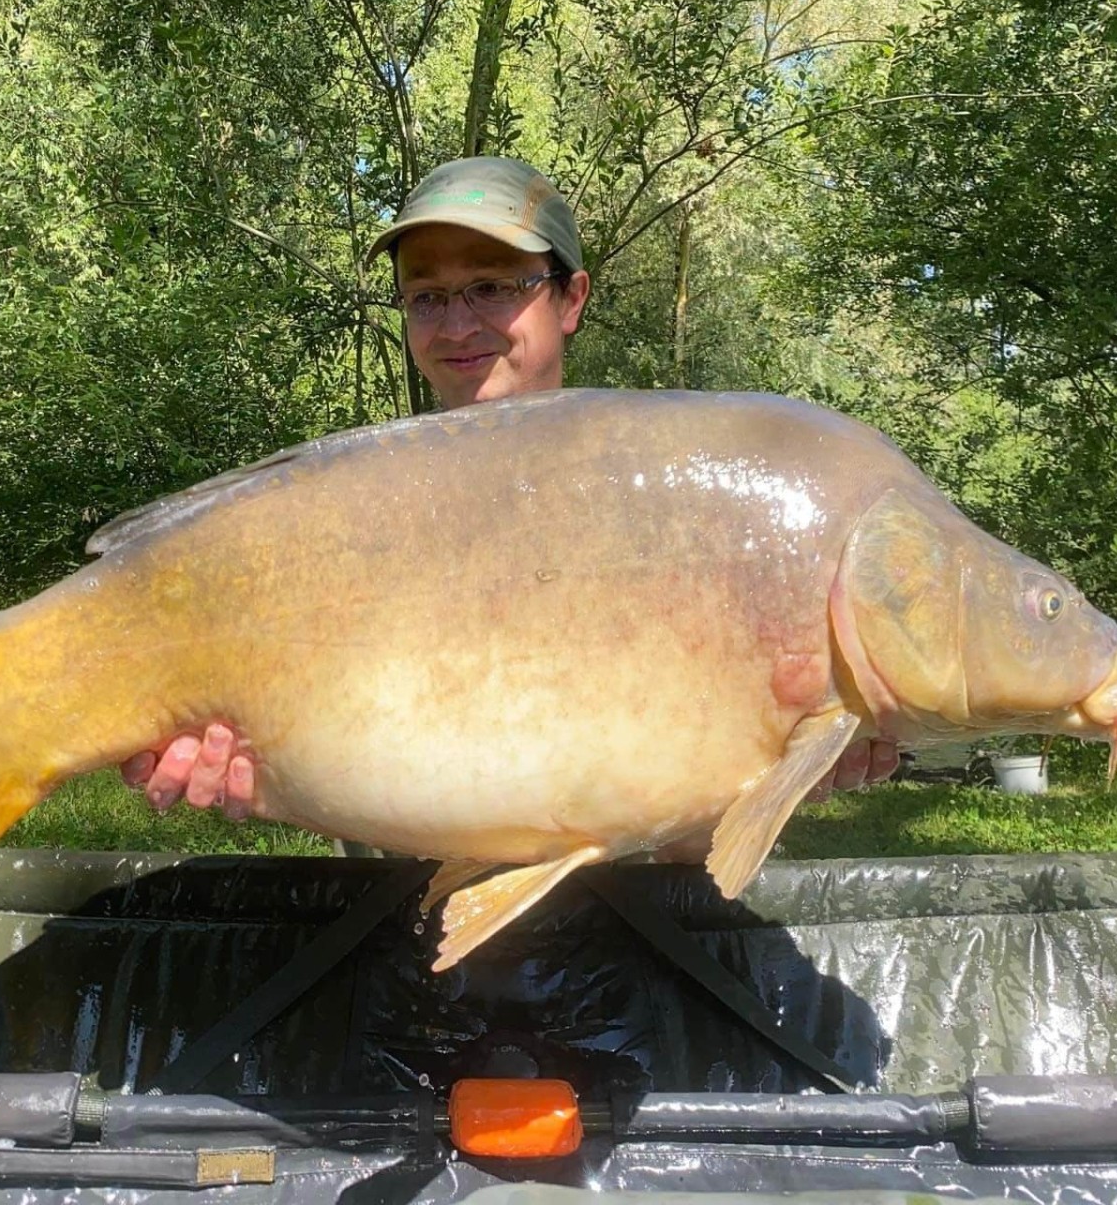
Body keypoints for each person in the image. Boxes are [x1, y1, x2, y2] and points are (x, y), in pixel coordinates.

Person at [120, 156, 898, 827]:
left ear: (572, 298)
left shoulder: (667, 502)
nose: (456, 325)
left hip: (641, 930)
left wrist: (792, 762)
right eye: (426, 297)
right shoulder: (351, 513)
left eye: (492, 287)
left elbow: (691, 822)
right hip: (402, 933)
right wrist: (262, 779)